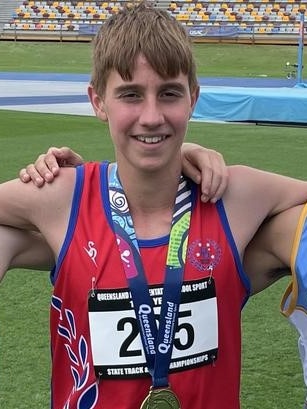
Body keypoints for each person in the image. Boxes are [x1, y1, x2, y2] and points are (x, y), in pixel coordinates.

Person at [1, 2, 307, 408]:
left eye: (169, 94)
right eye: (130, 94)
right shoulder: (62, 196)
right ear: (98, 101)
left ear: (193, 98)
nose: (151, 116)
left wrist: (185, 150)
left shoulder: (236, 195)